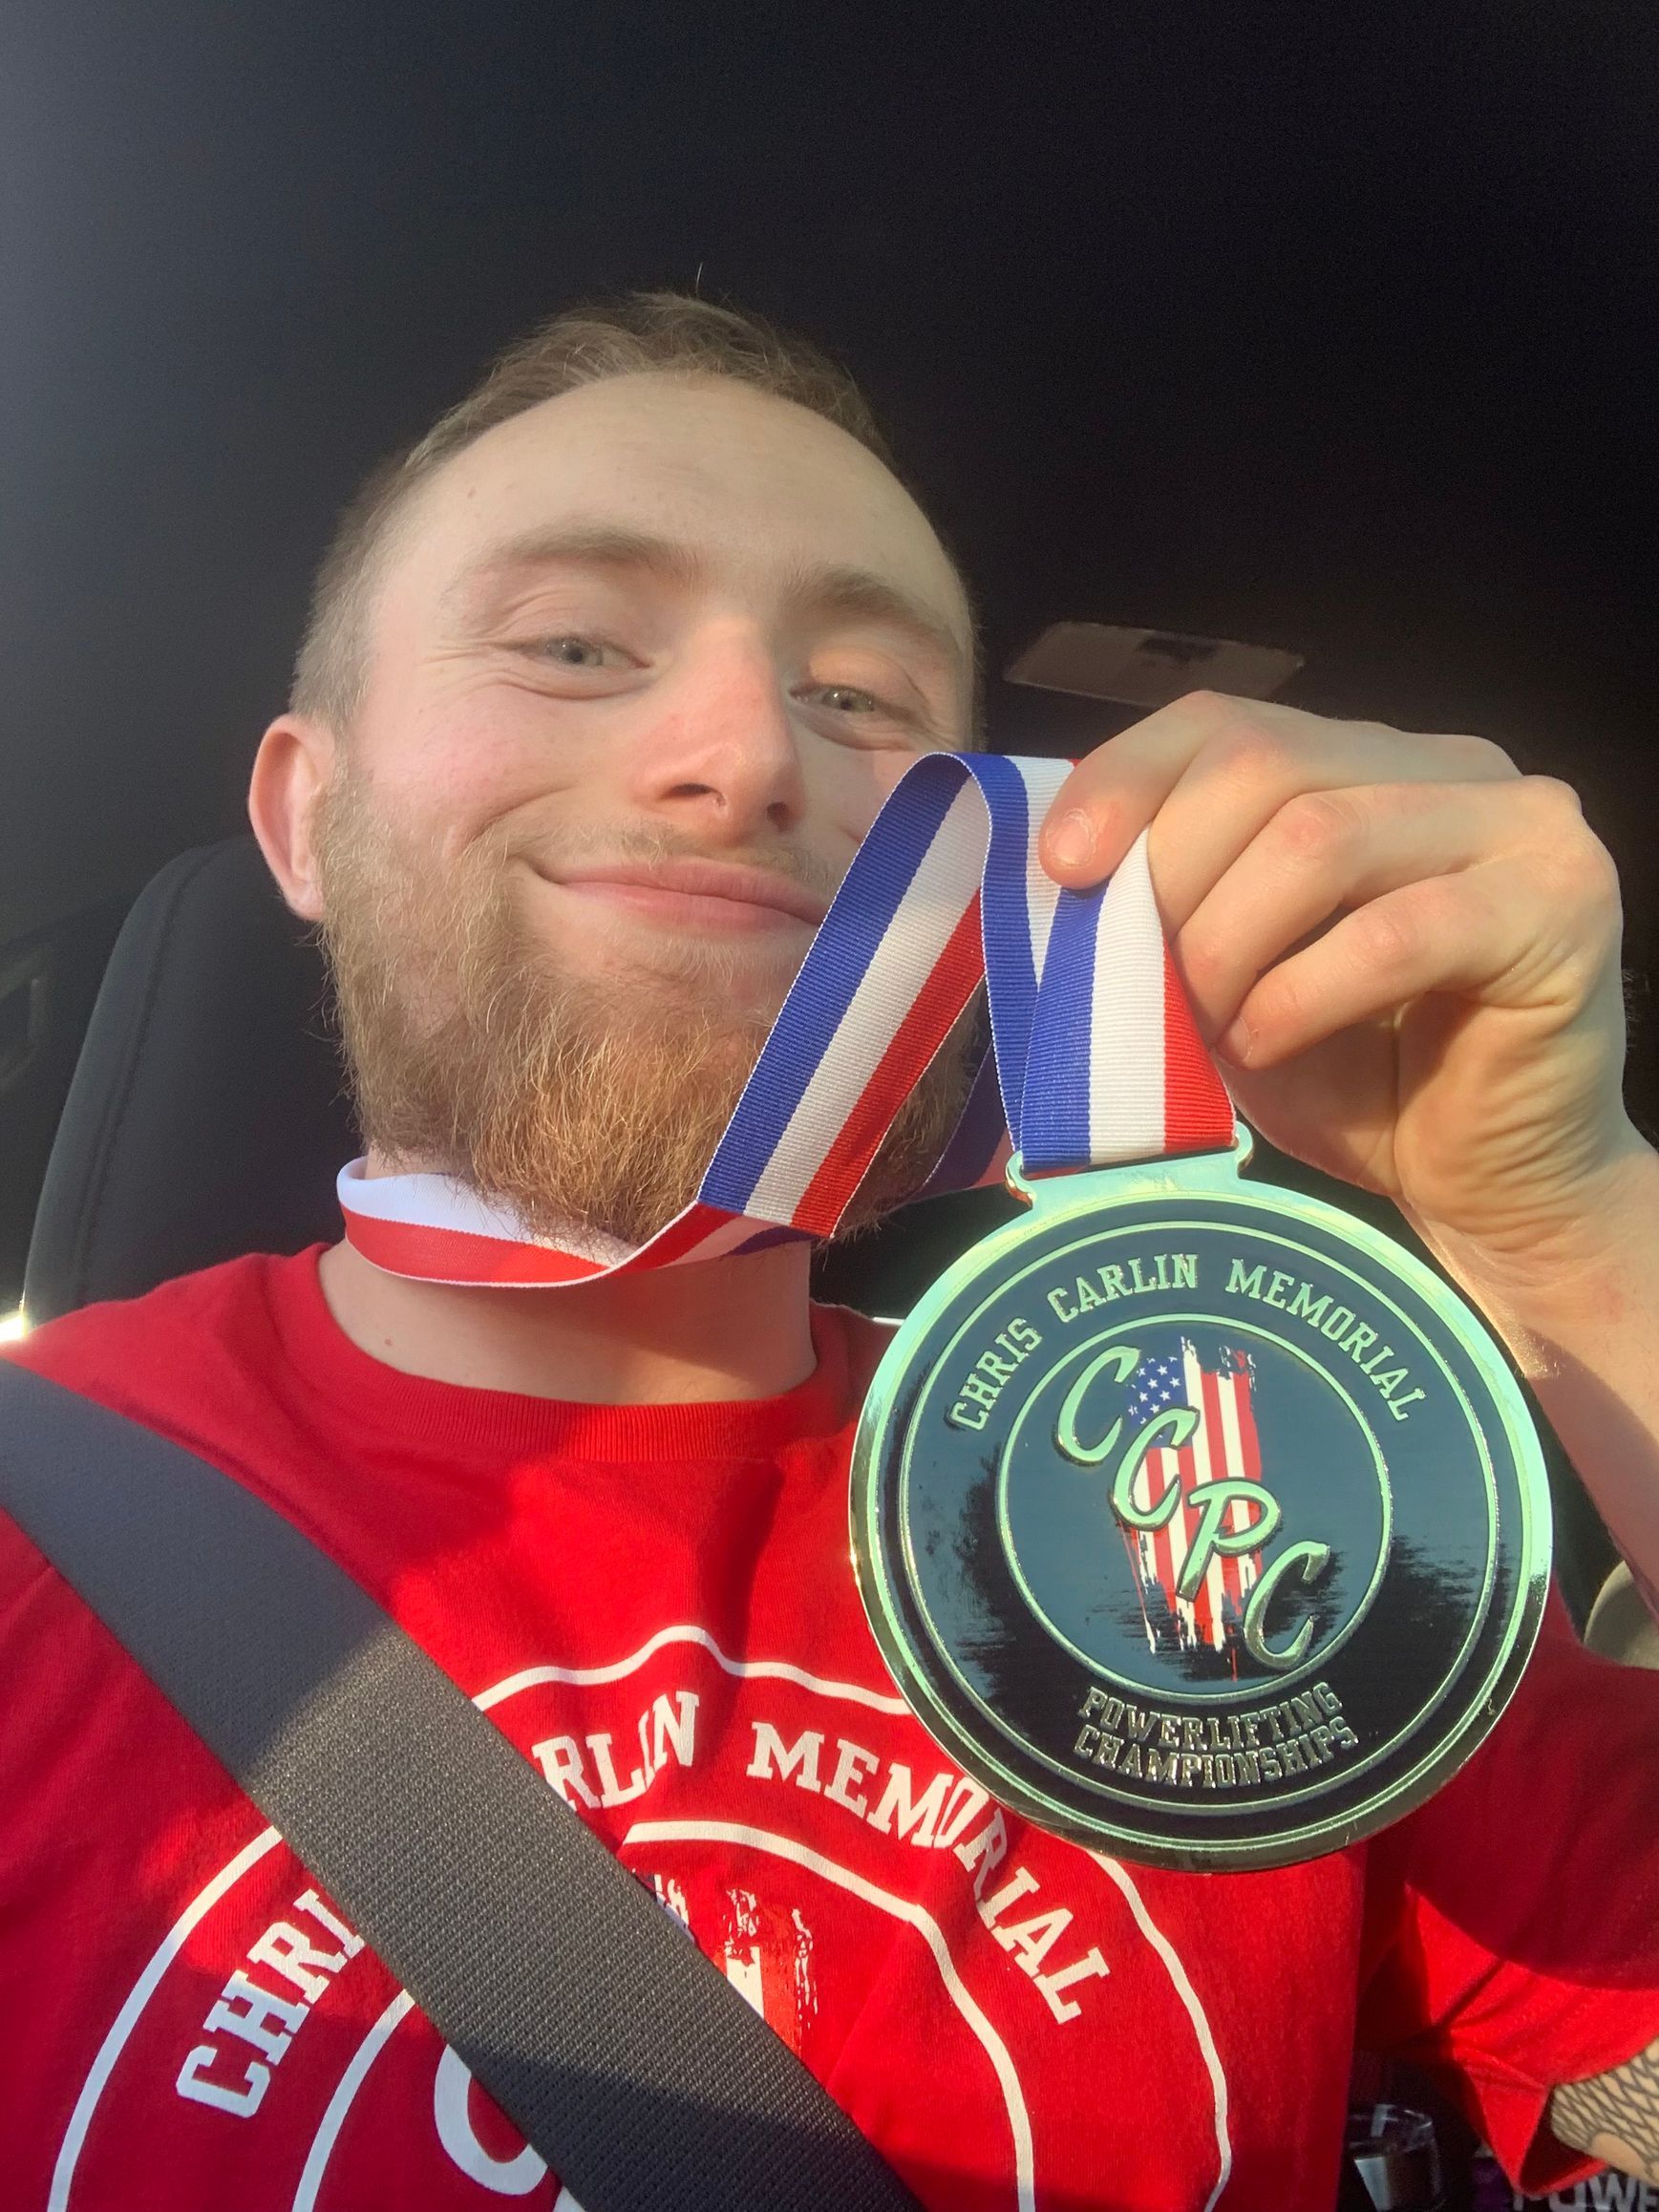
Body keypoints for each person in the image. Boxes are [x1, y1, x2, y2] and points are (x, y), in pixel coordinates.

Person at [4, 290, 1658, 2212]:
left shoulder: (1225, 1523)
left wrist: (1574, 1226)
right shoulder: (38, 1527)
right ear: (305, 814)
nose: (743, 754)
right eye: (570, 643)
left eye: (861, 696)